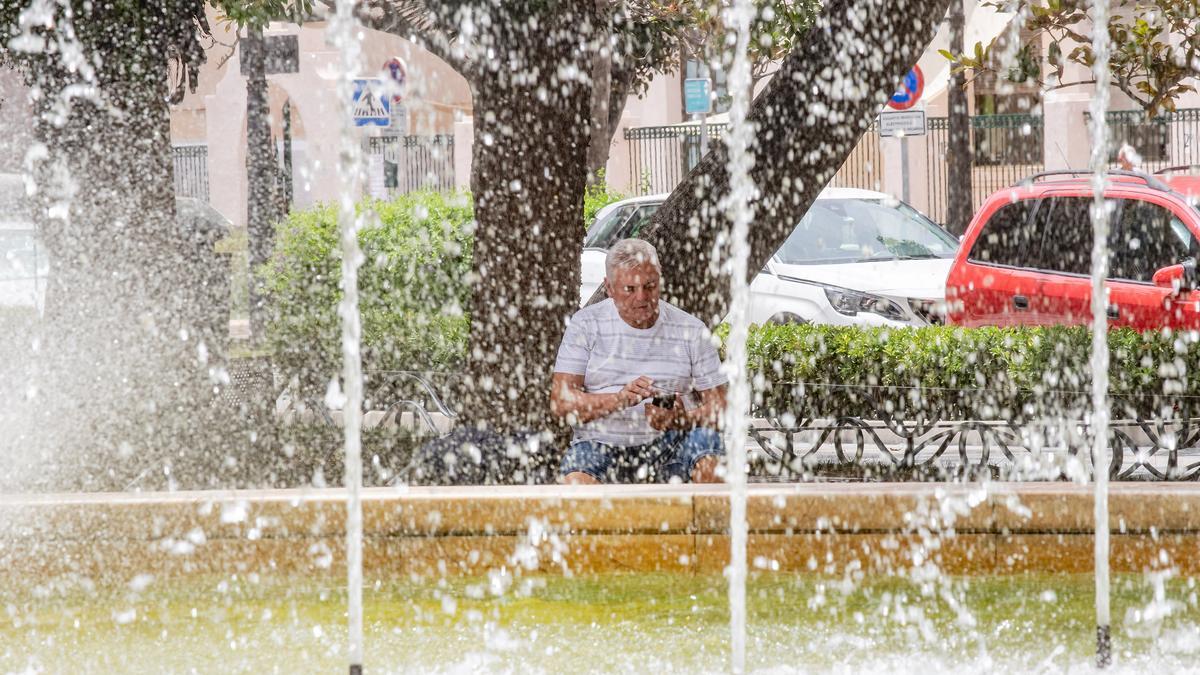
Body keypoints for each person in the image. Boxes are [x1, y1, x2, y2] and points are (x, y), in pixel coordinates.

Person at [550, 238, 727, 484]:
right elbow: (561, 403)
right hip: (600, 444)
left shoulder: (692, 330)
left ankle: (711, 521)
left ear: (660, 281)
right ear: (609, 288)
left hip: (673, 444)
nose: (641, 298)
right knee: (577, 485)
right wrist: (619, 399)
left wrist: (680, 420)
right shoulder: (585, 325)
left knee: (711, 459)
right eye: (629, 289)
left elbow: (721, 408)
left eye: (650, 286)